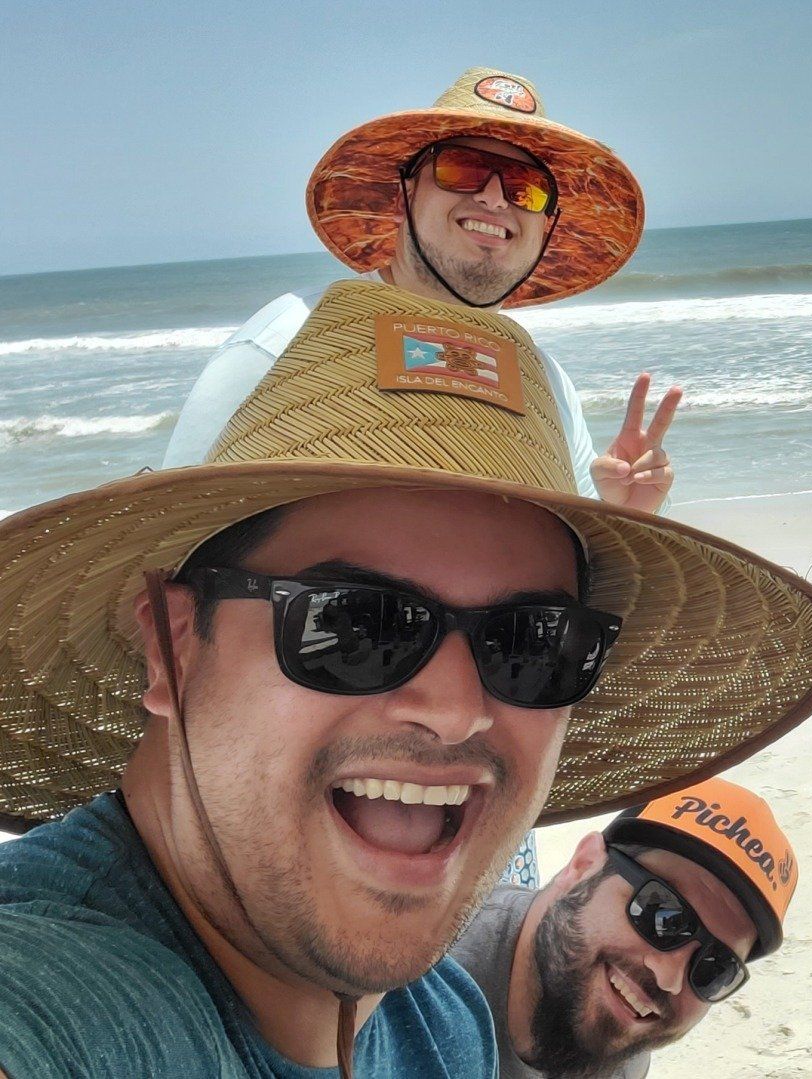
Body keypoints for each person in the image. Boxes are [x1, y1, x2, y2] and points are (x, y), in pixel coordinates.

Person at [0, 282, 812, 1076]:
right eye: (359, 624)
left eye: (532, 643)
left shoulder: (442, 1020)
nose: (454, 709)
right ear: (174, 647)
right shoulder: (58, 995)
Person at [163, 67, 674, 888]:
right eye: (467, 169)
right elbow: (175, 547)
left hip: (471, 777)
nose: (497, 199)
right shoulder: (289, 345)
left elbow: (544, 602)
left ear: (544, 228)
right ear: (404, 190)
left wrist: (616, 510)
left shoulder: (542, 384)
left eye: (529, 190)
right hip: (303, 754)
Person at [450, 777, 798, 1079]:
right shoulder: (429, 979)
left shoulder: (620, 1031)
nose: (669, 979)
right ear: (584, 865)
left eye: (714, 967)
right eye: (662, 914)